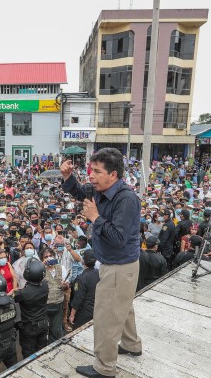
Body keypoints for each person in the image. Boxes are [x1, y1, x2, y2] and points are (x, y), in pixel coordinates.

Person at [61, 148, 142, 378]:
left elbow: (118, 238)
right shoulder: (99, 189)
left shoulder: (125, 199)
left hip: (119, 266)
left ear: (113, 174)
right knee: (123, 307)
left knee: (107, 316)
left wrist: (95, 218)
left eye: (96, 171)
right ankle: (131, 344)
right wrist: (68, 177)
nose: (91, 176)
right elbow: (78, 191)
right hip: (116, 266)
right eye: (90, 170)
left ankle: (105, 367)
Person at [13, 257, 49, 358]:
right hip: (43, 324)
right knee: (42, 351)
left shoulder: (23, 293)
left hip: (30, 327)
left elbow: (13, 299)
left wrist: (14, 292)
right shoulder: (45, 285)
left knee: (29, 354)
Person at [69, 249, 100, 329]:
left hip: (84, 313)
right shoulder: (99, 273)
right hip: (97, 309)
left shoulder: (81, 278)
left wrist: (72, 315)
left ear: (83, 261)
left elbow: (78, 299)